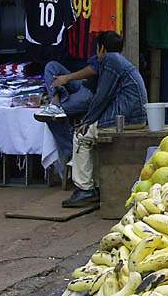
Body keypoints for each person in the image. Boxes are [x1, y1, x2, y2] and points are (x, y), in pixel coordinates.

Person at [60, 31, 148, 208]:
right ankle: (95, 185)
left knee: (81, 136)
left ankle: (85, 189)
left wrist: (87, 120)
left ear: (101, 48)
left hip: (125, 118)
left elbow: (102, 96)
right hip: (133, 116)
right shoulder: (120, 61)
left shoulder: (110, 60)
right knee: (90, 134)